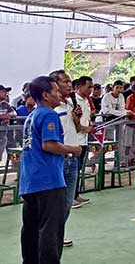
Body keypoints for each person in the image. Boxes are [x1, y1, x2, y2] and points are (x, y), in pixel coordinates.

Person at [20, 76, 83, 264]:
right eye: (55, 90)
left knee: (31, 229)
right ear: (46, 95)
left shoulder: (31, 116)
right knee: (51, 230)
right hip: (48, 181)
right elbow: (49, 145)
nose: (59, 93)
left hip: (30, 181)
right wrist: (73, 149)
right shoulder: (49, 115)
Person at [49, 70, 85, 248]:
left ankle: (57, 234)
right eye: (65, 81)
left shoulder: (70, 104)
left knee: (67, 203)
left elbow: (76, 129)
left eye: (70, 81)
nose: (69, 85)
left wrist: (77, 119)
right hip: (58, 160)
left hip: (72, 160)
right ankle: (48, 237)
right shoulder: (51, 109)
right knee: (54, 202)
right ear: (54, 85)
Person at [71, 76, 94, 206]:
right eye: (88, 87)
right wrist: (85, 128)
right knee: (72, 170)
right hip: (74, 140)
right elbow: (72, 122)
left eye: (92, 87)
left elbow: (86, 118)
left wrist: (90, 126)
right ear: (79, 87)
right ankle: (70, 197)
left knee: (78, 169)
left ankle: (75, 194)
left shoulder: (86, 101)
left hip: (83, 140)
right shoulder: (73, 101)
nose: (91, 89)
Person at [0, 84, 17, 162]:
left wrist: (8, 115)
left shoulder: (5, 104)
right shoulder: (19, 104)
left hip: (7, 134)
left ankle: (14, 166)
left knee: (14, 153)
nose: (6, 94)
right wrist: (1, 117)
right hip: (10, 133)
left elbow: (14, 113)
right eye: (3, 92)